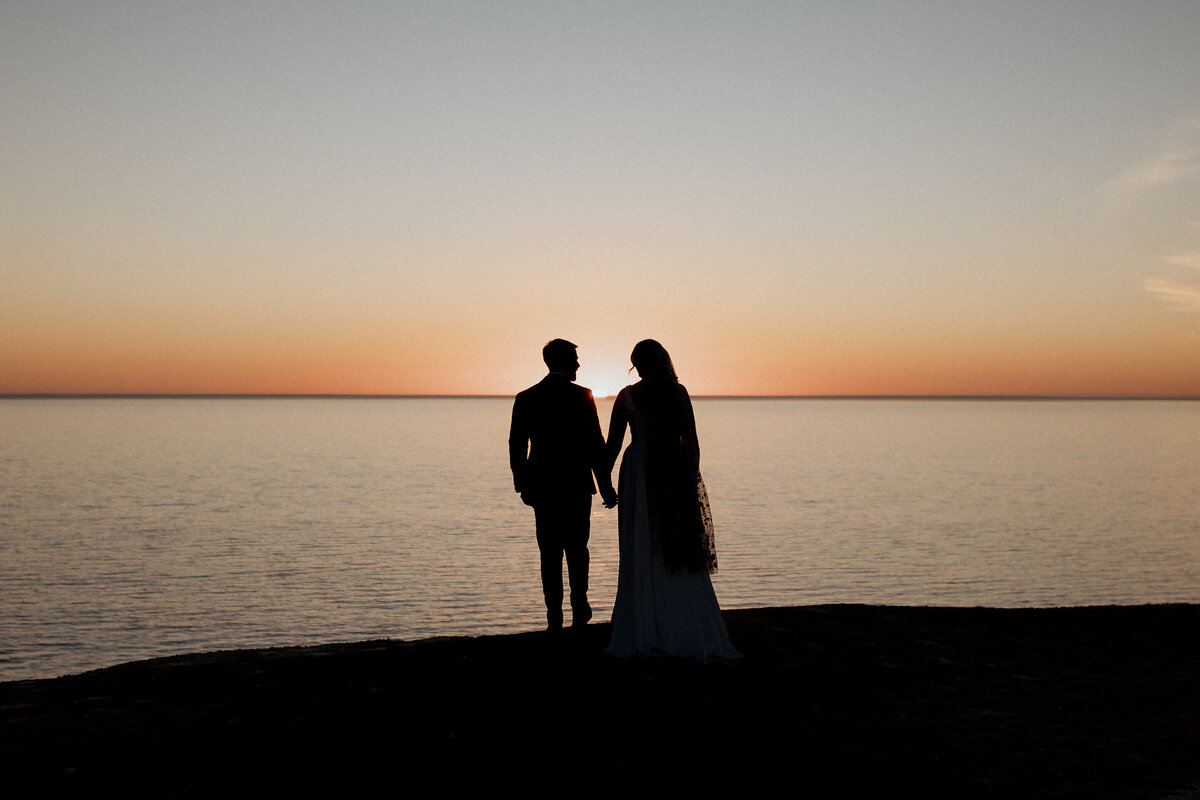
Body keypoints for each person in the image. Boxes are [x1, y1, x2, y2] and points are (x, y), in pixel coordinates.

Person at [604, 339, 740, 660]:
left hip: (639, 471)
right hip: (672, 470)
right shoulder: (678, 394)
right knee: (675, 548)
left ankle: (648, 622)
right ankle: (681, 622)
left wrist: (605, 484)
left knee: (642, 547)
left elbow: (611, 447)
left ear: (636, 362)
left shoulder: (626, 397)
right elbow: (691, 442)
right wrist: (689, 480)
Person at [510, 339, 617, 631]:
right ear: (563, 360)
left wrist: (522, 483)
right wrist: (606, 487)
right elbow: (595, 444)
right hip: (576, 484)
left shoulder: (527, 397)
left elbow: (517, 445)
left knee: (549, 552)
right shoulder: (583, 396)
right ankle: (579, 604)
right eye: (575, 358)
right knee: (577, 547)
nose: (579, 364)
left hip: (543, 487)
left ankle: (553, 614)